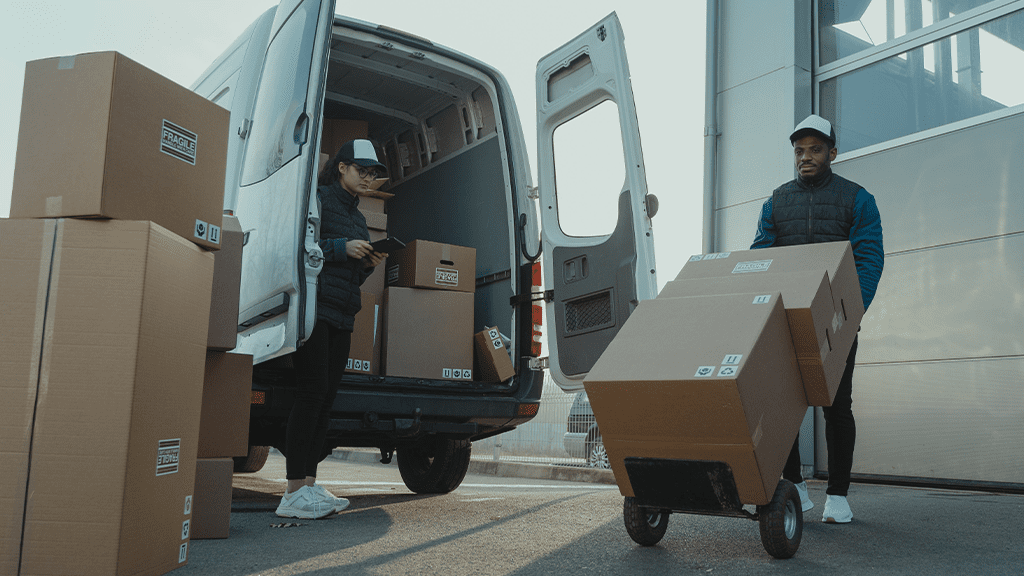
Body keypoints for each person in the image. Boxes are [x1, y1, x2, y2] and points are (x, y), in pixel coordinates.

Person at [750, 114, 884, 524]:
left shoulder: (857, 199)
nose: (805, 157)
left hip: (836, 323)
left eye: (815, 149)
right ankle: (797, 488)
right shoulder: (776, 201)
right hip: (785, 321)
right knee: (782, 406)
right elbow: (760, 255)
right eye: (799, 151)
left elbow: (868, 258)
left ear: (832, 152)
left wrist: (851, 313)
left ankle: (839, 497)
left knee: (836, 407)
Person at [276, 139, 389, 519]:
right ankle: (291, 492)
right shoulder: (319, 200)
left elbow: (353, 276)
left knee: (325, 399)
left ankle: (308, 485)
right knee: (310, 394)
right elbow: (297, 247)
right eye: (362, 171)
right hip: (314, 309)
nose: (368, 179)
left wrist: (369, 260)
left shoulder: (359, 218)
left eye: (373, 174)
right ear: (342, 167)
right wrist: (342, 248)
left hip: (343, 313)